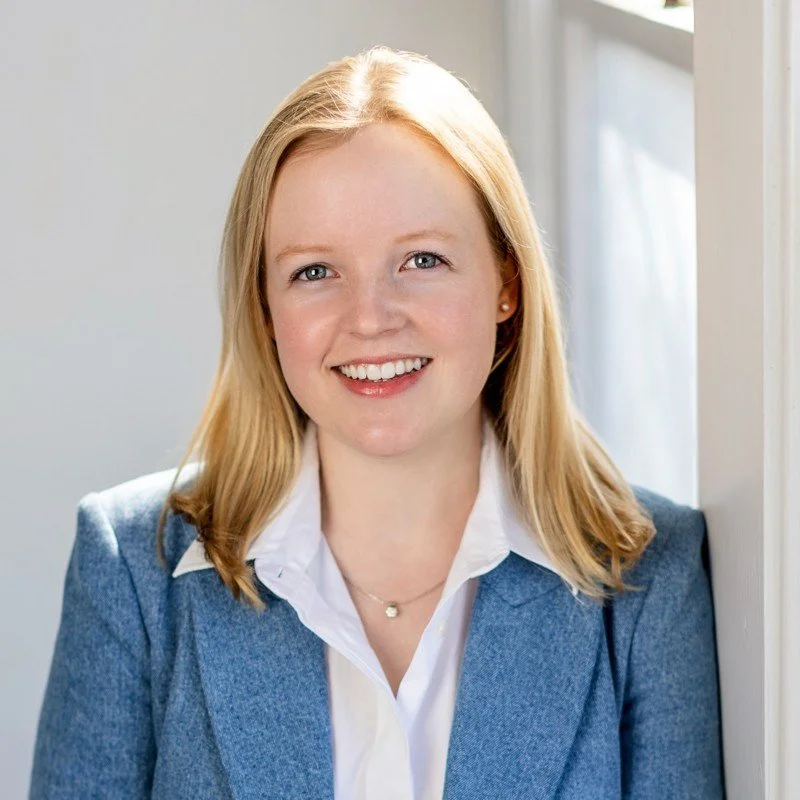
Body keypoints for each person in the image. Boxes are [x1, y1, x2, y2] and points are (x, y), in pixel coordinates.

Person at [29, 46, 724, 799]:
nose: (370, 319)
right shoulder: (134, 569)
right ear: (264, 310)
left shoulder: (651, 576)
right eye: (315, 272)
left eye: (421, 260)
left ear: (506, 283)